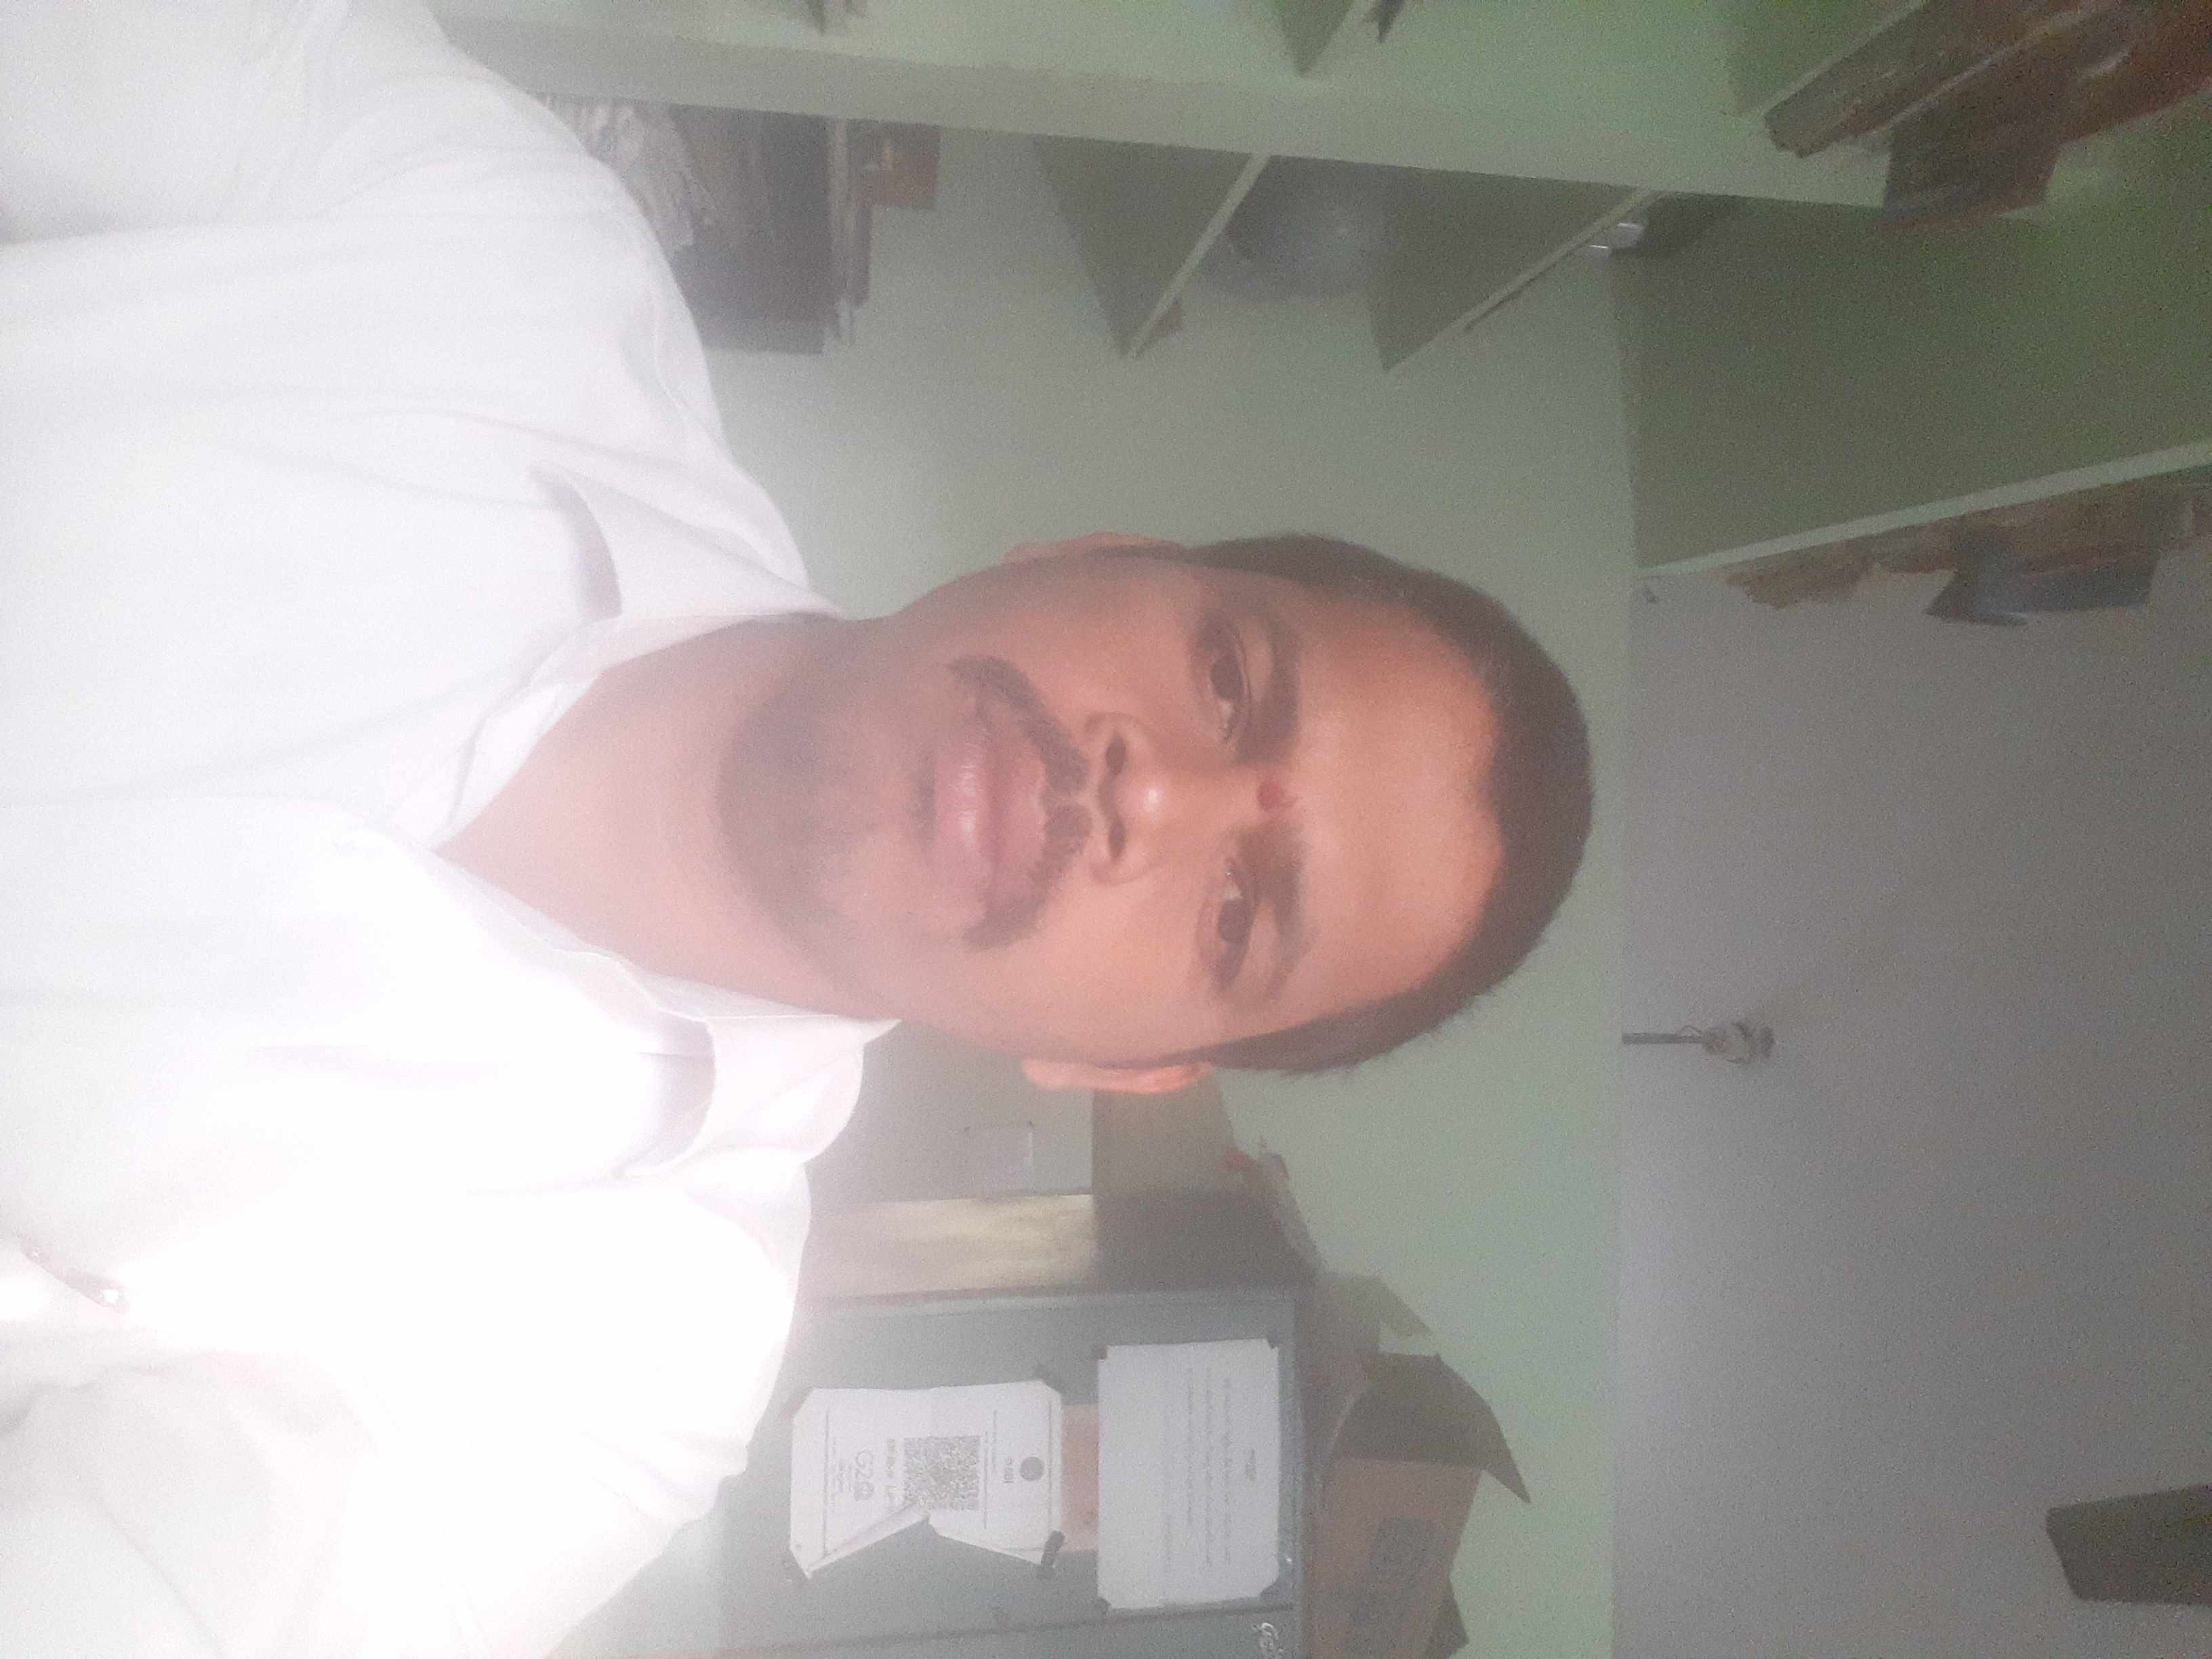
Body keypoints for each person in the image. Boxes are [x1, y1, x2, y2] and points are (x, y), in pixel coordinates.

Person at [0, 2, 1592, 1655]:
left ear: (1122, 1068)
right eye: (1225, 679)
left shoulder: (605, 1381)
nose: (1145, 796)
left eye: (1238, 914)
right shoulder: (487, 246)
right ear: (1088, 553)